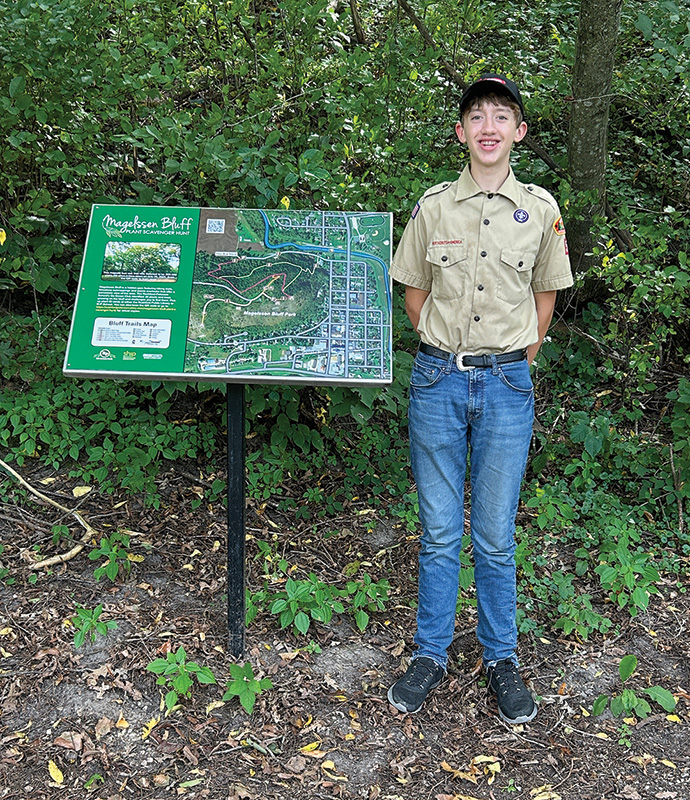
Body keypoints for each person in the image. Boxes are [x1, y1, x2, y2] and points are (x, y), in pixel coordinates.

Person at [387, 74, 573, 724]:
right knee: (440, 534)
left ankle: (501, 659)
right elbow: (412, 290)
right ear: (461, 132)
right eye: (477, 116)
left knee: (493, 537)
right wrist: (440, 345)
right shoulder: (433, 207)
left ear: (519, 131)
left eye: (502, 116)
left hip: (505, 387)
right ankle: (430, 655)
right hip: (437, 383)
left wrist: (521, 352)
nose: (489, 126)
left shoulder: (542, 208)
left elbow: (546, 295)